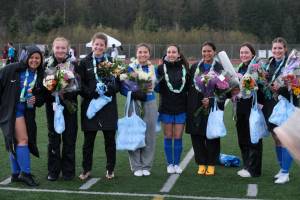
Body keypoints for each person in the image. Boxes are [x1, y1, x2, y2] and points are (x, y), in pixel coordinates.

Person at [0, 45, 44, 186]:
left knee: (16, 141)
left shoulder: (40, 74)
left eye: (37, 58)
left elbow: (42, 96)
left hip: (27, 112)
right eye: (32, 57)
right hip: (13, 110)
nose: (34, 60)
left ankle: (15, 173)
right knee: (23, 139)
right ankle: (25, 173)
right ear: (26, 58)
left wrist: (36, 99)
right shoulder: (13, 68)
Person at [78, 32, 120, 180]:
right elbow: (79, 84)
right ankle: (86, 169)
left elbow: (118, 84)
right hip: (91, 107)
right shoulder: (84, 62)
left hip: (108, 106)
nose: (99, 47)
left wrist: (108, 90)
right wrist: (91, 93)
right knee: (88, 141)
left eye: (102, 45)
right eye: (96, 44)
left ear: (106, 46)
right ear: (92, 44)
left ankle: (110, 169)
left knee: (109, 140)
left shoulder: (112, 62)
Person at [185, 42, 224, 176]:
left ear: (214, 52)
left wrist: (211, 100)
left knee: (212, 135)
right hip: (196, 105)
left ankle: (212, 163)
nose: (206, 54)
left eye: (209, 51)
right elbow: (189, 85)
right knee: (196, 135)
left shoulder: (220, 67)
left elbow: (225, 88)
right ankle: (201, 163)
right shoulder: (195, 66)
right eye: (204, 51)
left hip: (212, 106)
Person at [262, 37, 297, 184]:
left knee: (284, 139)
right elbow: (266, 82)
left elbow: (296, 86)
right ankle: (282, 168)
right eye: (275, 48)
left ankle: (285, 172)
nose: (277, 51)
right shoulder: (268, 64)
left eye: (280, 48)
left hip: (285, 105)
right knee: (276, 138)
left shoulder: (292, 64)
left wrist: (282, 87)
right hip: (270, 105)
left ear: (285, 50)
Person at [44, 37, 79, 181]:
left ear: (68, 49)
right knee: (54, 138)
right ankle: (53, 171)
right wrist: (52, 88)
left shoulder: (74, 64)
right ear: (53, 48)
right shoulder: (46, 64)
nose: (60, 50)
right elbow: (42, 86)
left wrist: (68, 90)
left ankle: (68, 171)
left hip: (70, 105)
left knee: (69, 138)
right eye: (57, 47)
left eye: (63, 48)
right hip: (52, 106)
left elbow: (79, 86)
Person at [120, 43, 158, 177]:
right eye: (140, 52)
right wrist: (133, 93)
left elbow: (158, 87)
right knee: (134, 132)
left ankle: (146, 165)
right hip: (134, 102)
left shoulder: (154, 68)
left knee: (149, 134)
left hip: (150, 102)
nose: (143, 54)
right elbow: (123, 87)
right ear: (136, 54)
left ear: (149, 54)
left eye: (145, 52)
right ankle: (136, 165)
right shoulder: (129, 68)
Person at [157, 44, 189, 174]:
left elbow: (189, 88)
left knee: (178, 136)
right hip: (166, 107)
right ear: (166, 54)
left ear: (178, 54)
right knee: (168, 135)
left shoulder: (185, 68)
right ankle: (170, 164)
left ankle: (177, 164)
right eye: (169, 52)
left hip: (181, 107)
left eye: (173, 52)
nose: (171, 54)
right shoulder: (160, 68)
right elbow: (156, 87)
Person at [235, 43, 264, 178]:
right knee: (243, 138)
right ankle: (247, 165)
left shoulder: (257, 66)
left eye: (246, 52)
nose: (243, 55)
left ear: (252, 54)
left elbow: (250, 89)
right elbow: (235, 88)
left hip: (252, 107)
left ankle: (254, 169)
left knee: (253, 138)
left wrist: (242, 80)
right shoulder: (240, 67)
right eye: (241, 52)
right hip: (240, 107)